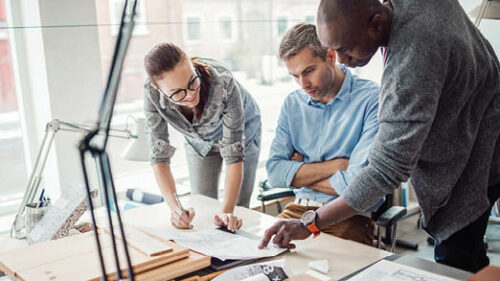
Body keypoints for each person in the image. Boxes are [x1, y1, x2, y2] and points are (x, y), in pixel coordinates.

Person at [259, 0, 500, 273]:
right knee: (472, 259)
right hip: (481, 128)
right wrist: (339, 168)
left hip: (473, 160)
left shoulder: (410, 63)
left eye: (345, 49)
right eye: (334, 50)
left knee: (453, 266)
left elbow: (384, 171)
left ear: (376, 23)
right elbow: (276, 171)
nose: (339, 60)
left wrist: (309, 222)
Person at [266, 23, 380, 246]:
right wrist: (339, 166)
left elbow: (357, 188)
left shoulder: (371, 99)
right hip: (296, 210)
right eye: (294, 76)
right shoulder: (293, 104)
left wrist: (300, 175)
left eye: (309, 71)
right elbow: (274, 173)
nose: (303, 84)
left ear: (330, 56)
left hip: (348, 215)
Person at [144, 42, 261, 232]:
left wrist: (227, 212)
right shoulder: (151, 94)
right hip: (197, 140)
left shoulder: (223, 83)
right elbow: (159, 158)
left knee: (236, 212)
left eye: (192, 82)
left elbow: (234, 159)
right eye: (178, 93)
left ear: (191, 65)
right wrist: (176, 210)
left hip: (243, 134)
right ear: (158, 89)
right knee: (203, 205)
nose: (190, 95)